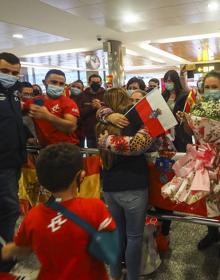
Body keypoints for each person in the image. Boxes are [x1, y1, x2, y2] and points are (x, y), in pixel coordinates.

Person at [1, 143, 116, 279]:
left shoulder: (33, 216)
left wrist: (6, 250)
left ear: (41, 181)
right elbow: (112, 250)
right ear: (80, 176)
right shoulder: (95, 208)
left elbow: (22, 250)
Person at [96, 88, 155, 280]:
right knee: (134, 237)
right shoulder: (140, 120)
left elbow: (100, 111)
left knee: (118, 234)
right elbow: (138, 145)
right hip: (134, 187)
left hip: (110, 188)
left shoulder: (101, 122)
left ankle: (114, 274)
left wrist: (106, 138)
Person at [179, 70, 220, 251]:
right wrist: (186, 123)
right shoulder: (198, 107)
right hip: (204, 160)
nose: (211, 90)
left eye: (215, 87)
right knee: (207, 197)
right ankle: (212, 233)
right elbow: (192, 133)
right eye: (208, 87)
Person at [0, 52, 26, 272]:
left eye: (14, 73)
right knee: (9, 208)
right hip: (1, 163)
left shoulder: (14, 93)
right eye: (4, 71)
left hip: (13, 160)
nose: (9, 76)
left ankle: (7, 257)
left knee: (8, 209)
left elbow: (13, 123)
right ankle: (5, 261)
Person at [23, 69, 80, 147]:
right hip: (45, 148)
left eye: (61, 84)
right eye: (54, 82)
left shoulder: (68, 102)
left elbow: (71, 127)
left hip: (66, 148)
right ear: (44, 82)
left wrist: (48, 116)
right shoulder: (34, 101)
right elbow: (18, 113)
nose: (57, 86)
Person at [77, 74, 105, 148]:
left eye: (98, 82)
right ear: (89, 83)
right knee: (92, 155)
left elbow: (111, 110)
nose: (96, 84)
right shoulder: (82, 95)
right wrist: (91, 107)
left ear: (101, 83)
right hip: (89, 132)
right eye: (93, 82)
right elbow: (79, 113)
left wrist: (100, 107)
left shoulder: (106, 94)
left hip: (104, 131)